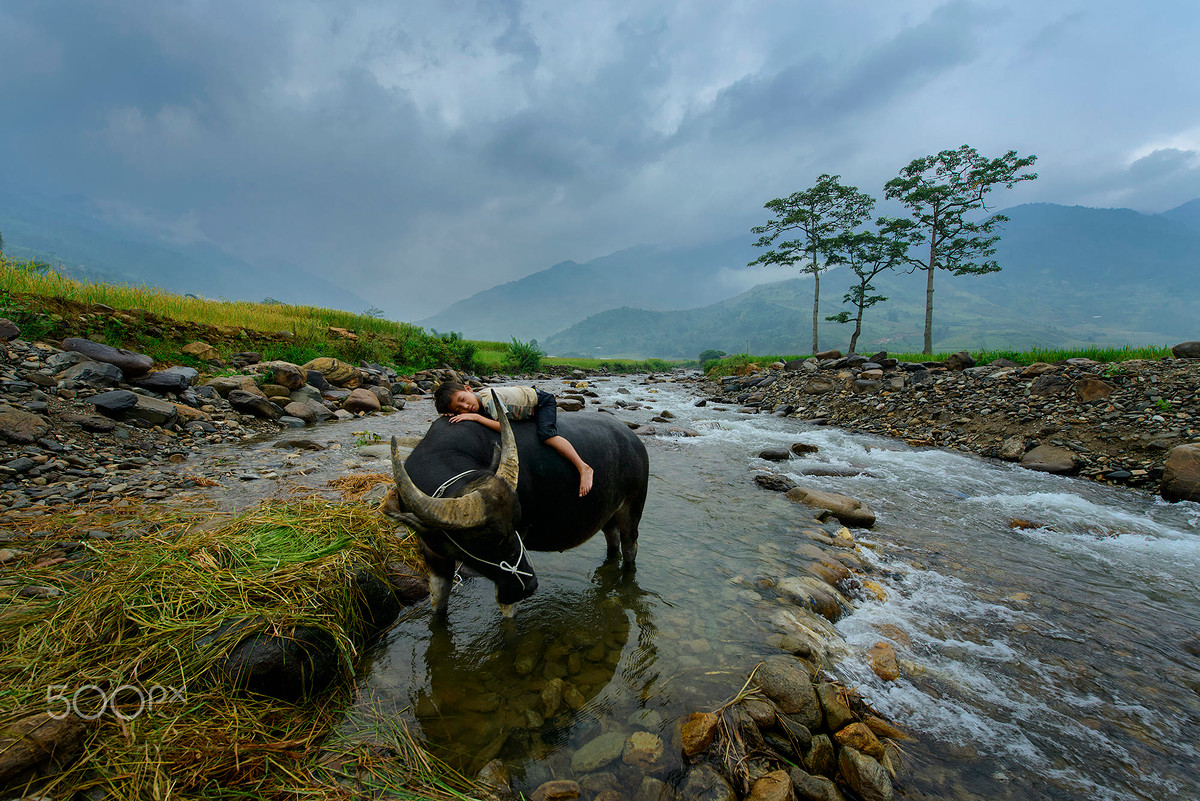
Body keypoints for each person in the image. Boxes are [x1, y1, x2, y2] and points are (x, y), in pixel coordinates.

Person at [433, 382, 594, 497]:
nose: (466, 408)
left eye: (462, 400)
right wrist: (450, 415)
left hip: (541, 403)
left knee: (547, 436)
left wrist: (476, 418)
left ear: (468, 389)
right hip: (522, 401)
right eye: (458, 409)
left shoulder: (488, 399)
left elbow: (505, 427)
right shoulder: (477, 400)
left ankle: (583, 467)